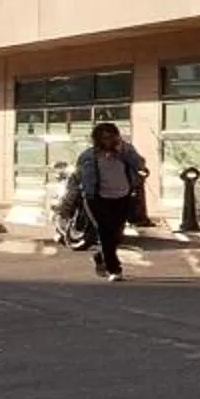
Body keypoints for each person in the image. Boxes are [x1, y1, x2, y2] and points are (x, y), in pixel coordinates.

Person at [68, 120, 148, 282]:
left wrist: (122, 152)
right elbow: (77, 177)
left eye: (110, 137)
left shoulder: (126, 151)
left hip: (123, 196)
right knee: (105, 232)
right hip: (97, 198)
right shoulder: (88, 156)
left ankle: (101, 256)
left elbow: (140, 164)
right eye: (103, 137)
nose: (107, 141)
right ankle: (114, 269)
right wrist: (74, 199)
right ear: (97, 139)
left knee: (117, 233)